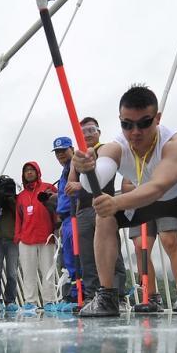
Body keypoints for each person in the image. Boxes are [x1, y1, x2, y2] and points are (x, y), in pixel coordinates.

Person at [73, 85, 177, 316]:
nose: (135, 132)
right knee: (105, 218)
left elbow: (159, 186)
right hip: (145, 199)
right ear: (120, 121)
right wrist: (86, 170)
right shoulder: (115, 146)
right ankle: (107, 296)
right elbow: (95, 182)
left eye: (144, 123)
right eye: (127, 124)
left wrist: (117, 203)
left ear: (157, 119)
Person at [68, 118, 128, 301]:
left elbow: (96, 177)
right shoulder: (78, 157)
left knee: (112, 251)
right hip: (83, 209)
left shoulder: (105, 151)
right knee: (87, 255)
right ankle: (93, 295)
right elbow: (70, 183)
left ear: (99, 132)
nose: (88, 134)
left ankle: (117, 294)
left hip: (103, 205)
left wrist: (80, 185)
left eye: (91, 130)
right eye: (83, 131)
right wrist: (73, 164)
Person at [15, 161, 58, 310]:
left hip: (47, 237)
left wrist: (56, 231)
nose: (29, 173)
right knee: (28, 272)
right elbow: (18, 218)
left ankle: (49, 301)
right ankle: (30, 302)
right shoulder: (20, 196)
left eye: (32, 170)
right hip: (26, 239)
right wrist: (18, 236)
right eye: (26, 170)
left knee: (48, 271)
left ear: (37, 172)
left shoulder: (48, 188)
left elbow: (57, 208)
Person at [52, 136, 80, 310]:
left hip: (75, 215)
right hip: (67, 219)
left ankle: (80, 294)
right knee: (69, 257)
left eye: (63, 150)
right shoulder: (65, 171)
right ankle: (73, 294)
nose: (60, 154)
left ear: (72, 149)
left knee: (77, 257)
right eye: (57, 152)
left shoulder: (77, 167)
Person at [0, 175, 20, 311]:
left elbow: (20, 216)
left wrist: (11, 201)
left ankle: (10, 300)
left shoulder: (16, 201)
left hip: (12, 240)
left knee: (12, 273)